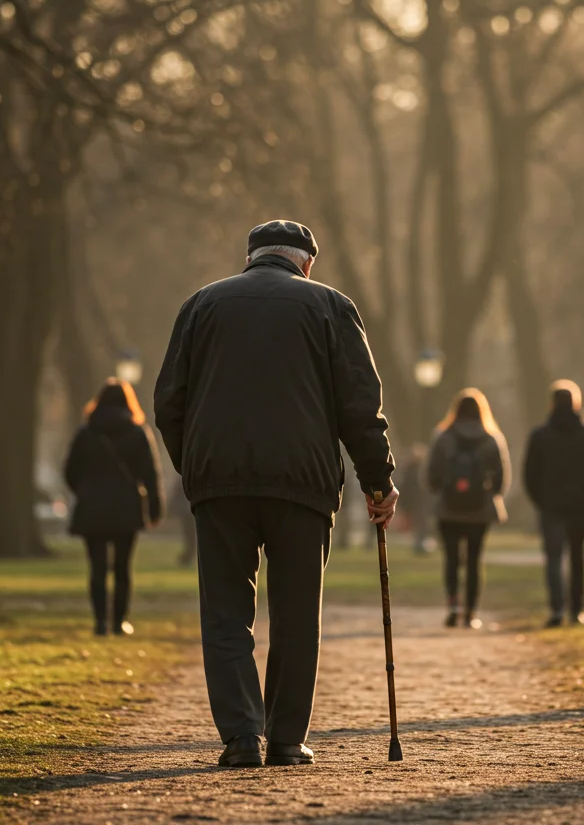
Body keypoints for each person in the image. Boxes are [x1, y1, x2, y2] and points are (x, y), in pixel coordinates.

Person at [154, 220, 397, 769]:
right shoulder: (331, 306)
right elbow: (360, 405)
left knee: (225, 614)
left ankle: (242, 735)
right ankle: (286, 737)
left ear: (250, 257)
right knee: (296, 613)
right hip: (302, 485)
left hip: (220, 485)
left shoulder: (202, 305)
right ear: (306, 263)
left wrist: (195, 467)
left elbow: (169, 402)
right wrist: (378, 481)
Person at [64, 380, 164, 636]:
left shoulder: (86, 433)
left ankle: (100, 621)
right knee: (122, 567)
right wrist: (155, 508)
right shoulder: (137, 432)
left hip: (92, 508)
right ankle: (119, 622)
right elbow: (150, 474)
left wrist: (85, 491)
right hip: (126, 507)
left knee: (97, 568)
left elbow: (70, 471)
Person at [523, 381, 584, 628]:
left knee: (554, 556)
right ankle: (577, 609)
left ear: (552, 403)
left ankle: (556, 608)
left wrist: (540, 500)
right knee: (578, 556)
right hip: (581, 505)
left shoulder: (540, 436)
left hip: (551, 505)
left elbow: (529, 475)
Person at [427, 389, 510, 630]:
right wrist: (489, 494)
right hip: (480, 511)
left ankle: (453, 606)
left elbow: (431, 475)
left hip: (448, 509)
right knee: (474, 560)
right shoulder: (491, 438)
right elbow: (502, 478)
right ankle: (471, 612)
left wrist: (444, 490)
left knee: (452, 559)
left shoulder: (443, 437)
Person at [402, 443, 431, 554]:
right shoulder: (420, 469)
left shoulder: (410, 469)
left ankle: (419, 543)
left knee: (420, 523)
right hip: (418, 501)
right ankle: (420, 543)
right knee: (420, 523)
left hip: (417, 501)